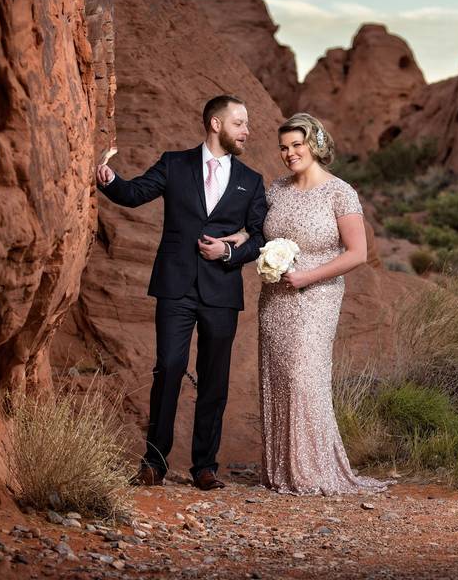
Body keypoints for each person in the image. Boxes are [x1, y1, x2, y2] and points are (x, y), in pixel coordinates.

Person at [95, 95, 267, 490]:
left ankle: (204, 467)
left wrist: (227, 251)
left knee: (214, 379)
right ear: (215, 124)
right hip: (175, 286)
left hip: (222, 290)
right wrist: (111, 181)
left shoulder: (251, 180)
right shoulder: (174, 164)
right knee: (168, 369)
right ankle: (153, 463)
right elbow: (134, 194)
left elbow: (260, 236)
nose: (247, 131)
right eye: (240, 123)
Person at [224, 113, 389, 494]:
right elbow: (258, 229)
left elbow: (358, 253)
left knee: (304, 376)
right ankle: (282, 470)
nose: (289, 153)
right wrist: (239, 237)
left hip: (318, 295)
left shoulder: (340, 192)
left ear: (314, 144)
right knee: (279, 376)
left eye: (297, 145)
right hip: (276, 297)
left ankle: (313, 470)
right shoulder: (276, 190)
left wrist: (307, 277)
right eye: (283, 147)